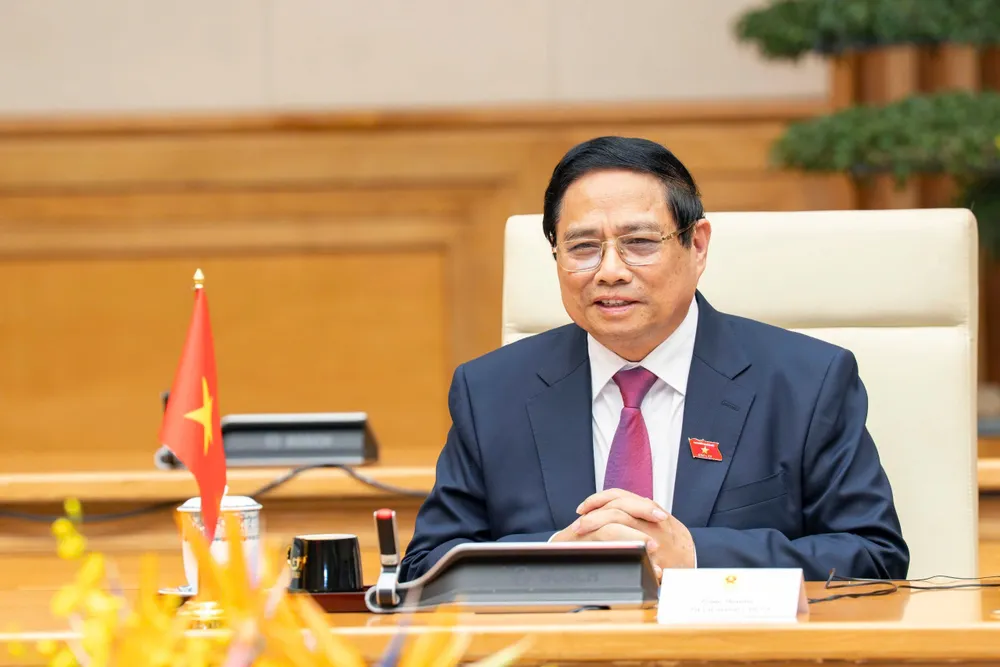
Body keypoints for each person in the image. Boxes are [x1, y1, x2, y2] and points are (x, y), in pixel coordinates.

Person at [399, 136, 909, 583]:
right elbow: (425, 566)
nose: (610, 271)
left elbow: (874, 556)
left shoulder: (806, 382)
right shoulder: (491, 392)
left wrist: (696, 556)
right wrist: (553, 555)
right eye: (582, 247)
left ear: (697, 246)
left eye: (639, 243)